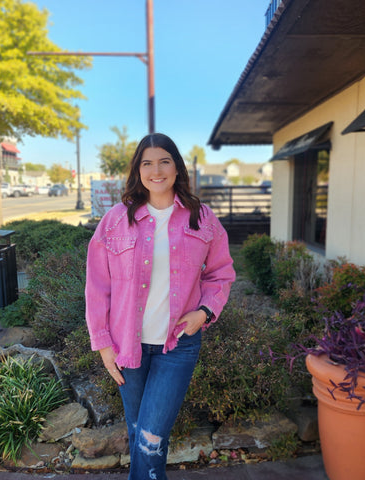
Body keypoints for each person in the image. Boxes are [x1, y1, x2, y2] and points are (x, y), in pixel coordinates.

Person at [85, 133, 235, 480]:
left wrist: (204, 312)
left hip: (178, 345)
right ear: (138, 170)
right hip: (126, 346)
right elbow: (97, 287)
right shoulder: (116, 220)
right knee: (142, 437)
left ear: (177, 167)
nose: (156, 170)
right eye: (147, 162)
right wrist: (104, 344)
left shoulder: (202, 218)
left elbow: (221, 273)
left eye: (164, 161)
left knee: (151, 438)